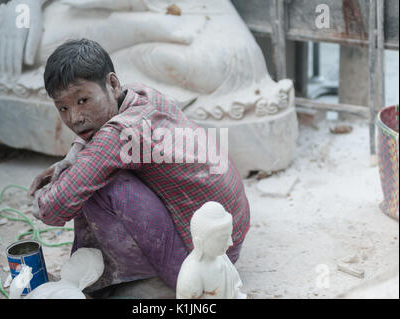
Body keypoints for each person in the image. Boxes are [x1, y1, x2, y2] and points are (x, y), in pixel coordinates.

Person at [29, 38, 250, 293]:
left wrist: (50, 189)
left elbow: (53, 210)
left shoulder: (118, 134)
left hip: (201, 265)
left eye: (83, 101)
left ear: (112, 84)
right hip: (227, 238)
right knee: (89, 169)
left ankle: (138, 283)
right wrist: (72, 158)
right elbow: (94, 145)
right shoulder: (140, 95)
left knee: (97, 185)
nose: (75, 118)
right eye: (63, 108)